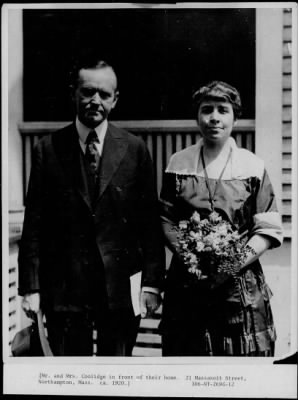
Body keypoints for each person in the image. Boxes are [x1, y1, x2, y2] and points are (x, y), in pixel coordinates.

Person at [18, 54, 165, 356]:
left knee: (116, 373)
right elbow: (34, 224)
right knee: (72, 373)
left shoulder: (135, 150)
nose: (94, 100)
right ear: (74, 93)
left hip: (120, 288)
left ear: (115, 99)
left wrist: (152, 284)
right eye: (87, 91)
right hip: (64, 287)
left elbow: (150, 224)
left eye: (104, 94)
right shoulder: (48, 149)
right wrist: (30, 288)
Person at [159, 81, 283, 356]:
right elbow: (166, 219)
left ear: (235, 117)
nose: (214, 117)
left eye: (222, 110)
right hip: (188, 281)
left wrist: (231, 264)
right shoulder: (179, 163)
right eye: (207, 110)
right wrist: (189, 257)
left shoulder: (252, 166)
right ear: (197, 116)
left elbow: (267, 228)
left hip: (238, 284)